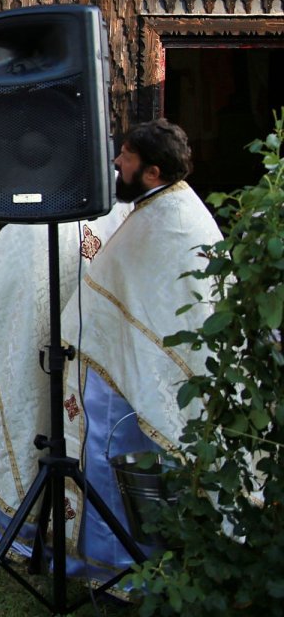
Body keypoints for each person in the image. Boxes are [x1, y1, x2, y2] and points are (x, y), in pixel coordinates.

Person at [58, 118, 222, 577]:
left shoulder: (171, 221)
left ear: (152, 172)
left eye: (125, 156)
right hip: (126, 366)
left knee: (124, 463)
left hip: (139, 377)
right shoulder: (163, 206)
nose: (116, 162)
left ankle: (121, 566)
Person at [0, 199, 131, 579]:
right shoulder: (117, 212)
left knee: (33, 419)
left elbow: (1, 283)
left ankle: (23, 531)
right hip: (92, 361)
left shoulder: (34, 221)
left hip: (43, 354)